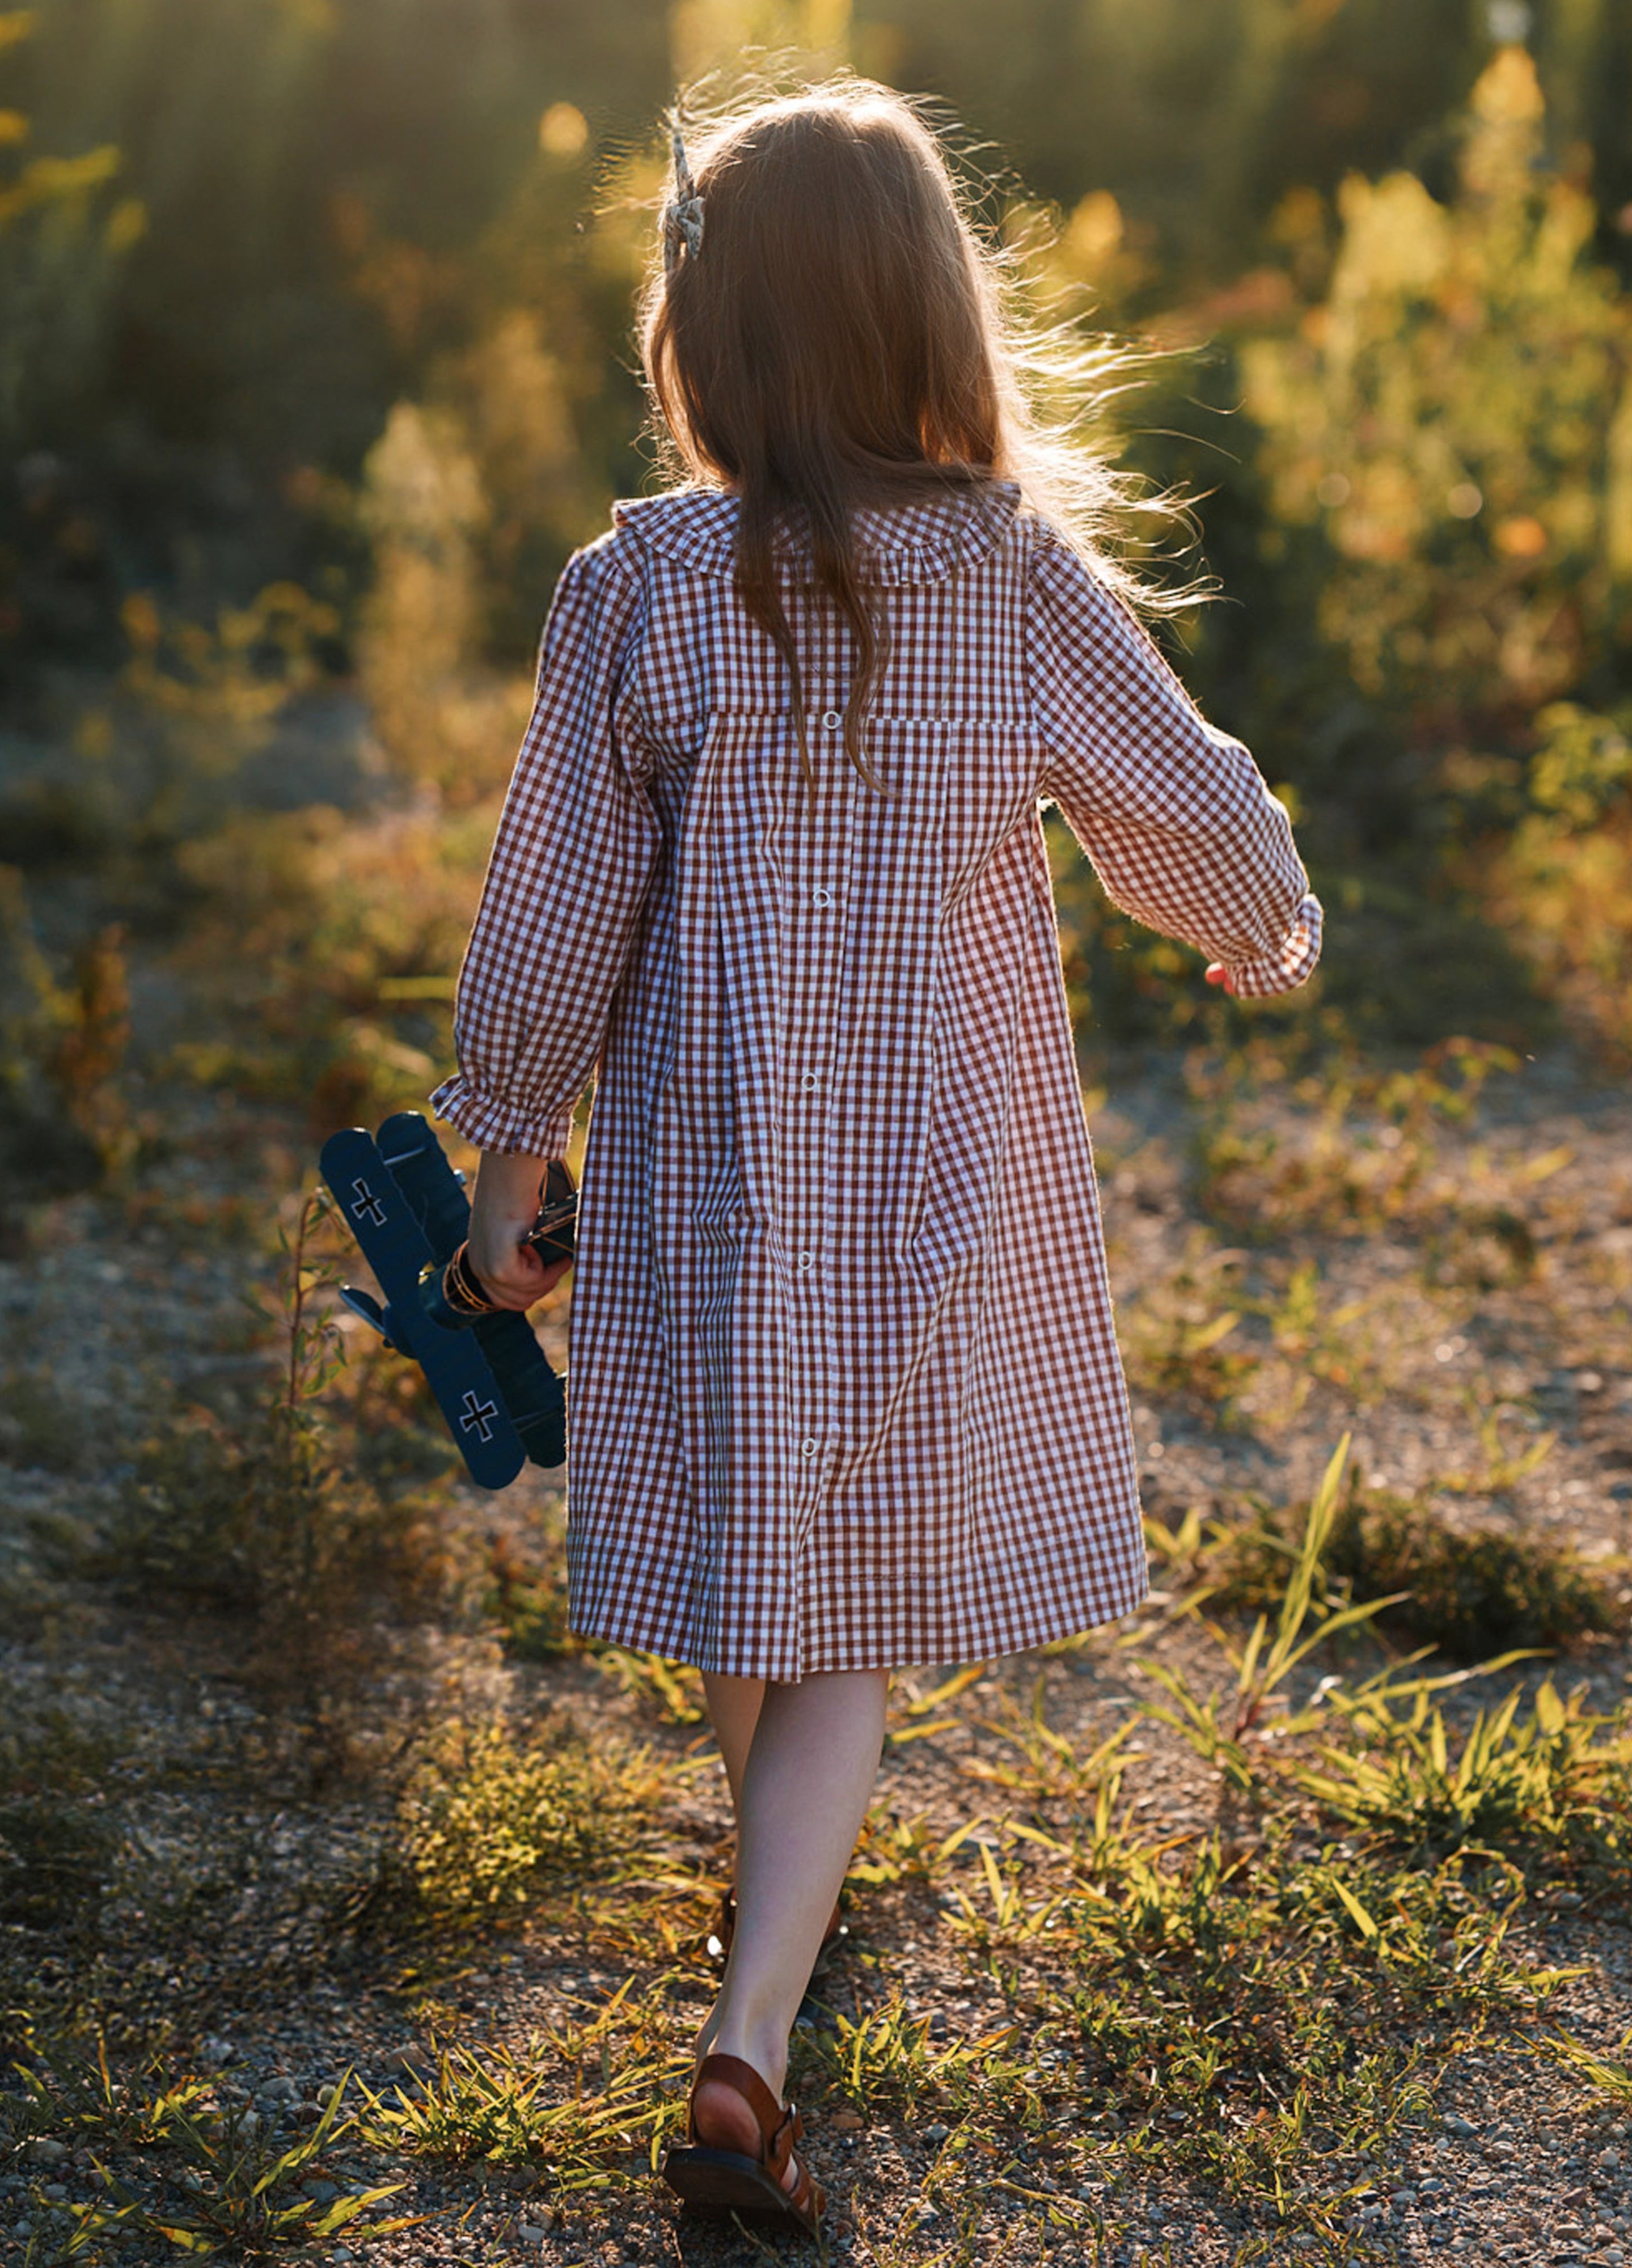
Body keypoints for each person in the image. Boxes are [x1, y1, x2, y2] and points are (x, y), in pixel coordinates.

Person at [426, 81, 1321, 2237]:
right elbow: (1192, 807)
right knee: (841, 1609)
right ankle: (754, 2026)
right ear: (937, 320)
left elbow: (554, 896)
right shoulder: (1010, 573)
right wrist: (1248, 926)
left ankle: (766, 1985)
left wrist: (505, 1141)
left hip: (705, 1173)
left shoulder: (635, 585)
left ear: (699, 339)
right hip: (939, 1182)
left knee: (766, 1559)